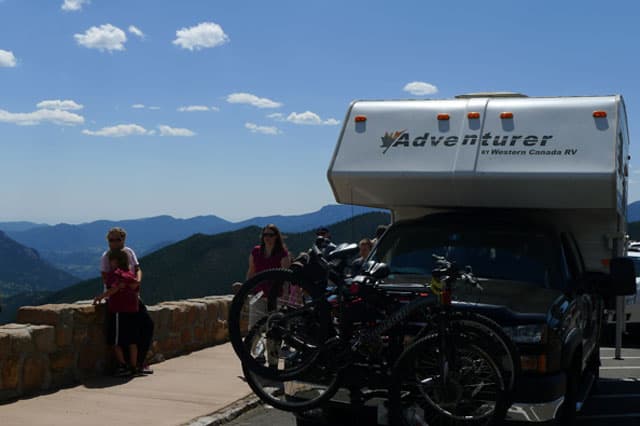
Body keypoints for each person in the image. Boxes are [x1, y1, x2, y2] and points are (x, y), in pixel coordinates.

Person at [99, 227, 154, 375]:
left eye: (118, 239)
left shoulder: (129, 252)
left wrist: (137, 281)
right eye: (111, 240)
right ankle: (128, 365)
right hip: (116, 298)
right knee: (124, 335)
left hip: (133, 297)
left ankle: (138, 363)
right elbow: (105, 277)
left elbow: (137, 269)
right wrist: (118, 286)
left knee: (146, 326)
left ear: (124, 239)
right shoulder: (106, 256)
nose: (115, 243)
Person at [94, 249, 141, 376]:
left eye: (111, 261)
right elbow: (135, 287)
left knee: (116, 341)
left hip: (119, 310)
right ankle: (134, 366)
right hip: (133, 310)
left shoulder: (115, 274)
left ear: (116, 261)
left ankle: (122, 366)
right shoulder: (130, 275)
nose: (109, 264)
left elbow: (113, 289)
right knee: (132, 341)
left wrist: (100, 297)